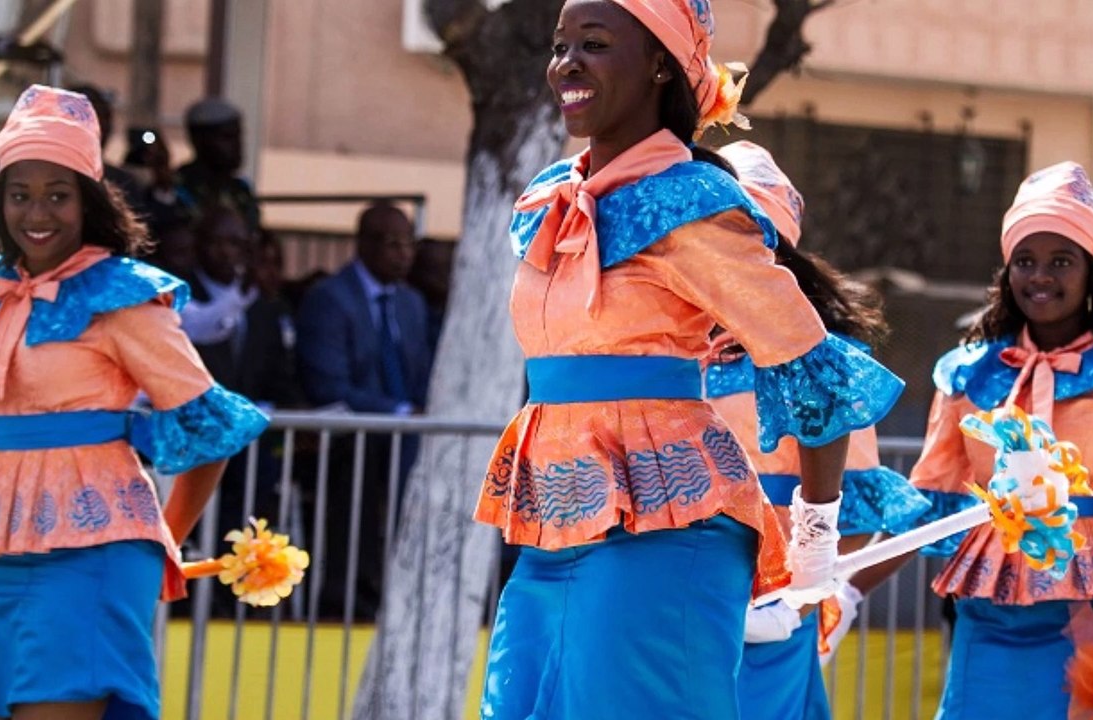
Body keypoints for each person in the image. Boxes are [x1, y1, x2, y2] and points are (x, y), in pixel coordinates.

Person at [473, 2, 903, 718]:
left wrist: (815, 532)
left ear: (661, 65)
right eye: (561, 45)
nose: (567, 63)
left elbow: (812, 366)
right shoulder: (553, 198)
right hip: (557, 514)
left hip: (665, 526)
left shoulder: (692, 201)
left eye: (595, 44)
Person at [0, 84, 268, 719]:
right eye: (21, 194)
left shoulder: (122, 296)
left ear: (88, 202)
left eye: (58, 195)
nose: (37, 212)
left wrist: (162, 543)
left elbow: (211, 430)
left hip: (94, 561)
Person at [897, 161, 1093, 718]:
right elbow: (932, 498)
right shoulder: (968, 373)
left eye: (1061, 262)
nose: (1040, 276)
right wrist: (841, 586)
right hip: (988, 621)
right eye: (1025, 261)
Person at [703, 141, 931, 720]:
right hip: (675, 596)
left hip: (773, 616)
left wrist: (810, 600)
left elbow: (855, 506)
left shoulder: (822, 359)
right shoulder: (662, 339)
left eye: (754, 240)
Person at [296, 202, 432, 619]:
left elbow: (422, 373)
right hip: (347, 438)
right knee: (365, 463)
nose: (403, 254)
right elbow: (326, 383)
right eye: (393, 244)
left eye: (409, 245)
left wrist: (418, 412)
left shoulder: (411, 303)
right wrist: (397, 411)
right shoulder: (330, 299)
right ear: (364, 245)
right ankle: (353, 590)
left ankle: (411, 587)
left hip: (406, 433)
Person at [173, 97, 260, 232]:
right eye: (227, 137)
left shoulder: (241, 189)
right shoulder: (177, 187)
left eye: (238, 136)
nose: (237, 145)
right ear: (199, 140)